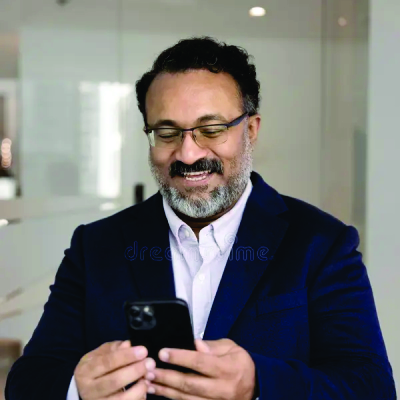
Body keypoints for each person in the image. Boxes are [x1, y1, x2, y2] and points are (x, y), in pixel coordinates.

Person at [5, 37, 396, 400]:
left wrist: (258, 385)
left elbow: (372, 386)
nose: (188, 154)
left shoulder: (321, 243)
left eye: (211, 129)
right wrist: (77, 388)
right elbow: (28, 380)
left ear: (251, 130)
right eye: (167, 132)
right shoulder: (96, 246)